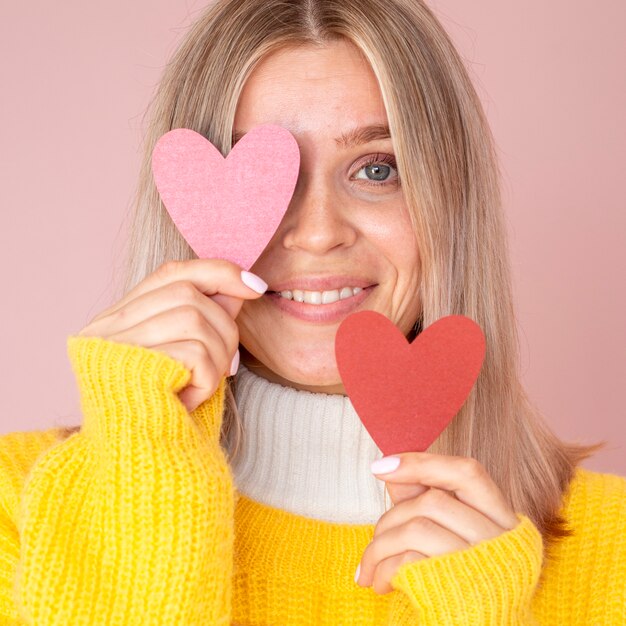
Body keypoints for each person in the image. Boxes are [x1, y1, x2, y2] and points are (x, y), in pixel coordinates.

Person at [1, 0, 624, 623]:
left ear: (451, 203)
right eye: (268, 178)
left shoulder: (612, 549)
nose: (317, 233)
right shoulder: (14, 506)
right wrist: (138, 481)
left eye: (377, 169)